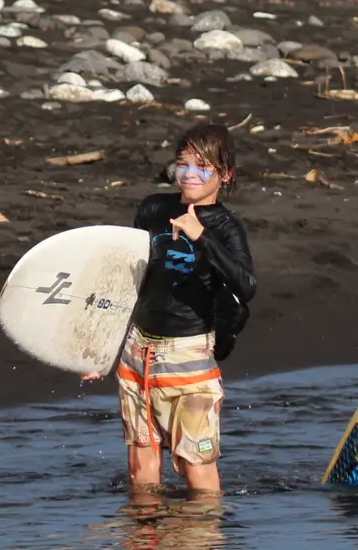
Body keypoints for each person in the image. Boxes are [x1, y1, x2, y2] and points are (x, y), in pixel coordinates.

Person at [95, 123, 256, 496]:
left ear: (226, 174)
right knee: (140, 472)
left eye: (204, 166)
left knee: (196, 474)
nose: (190, 174)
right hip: (137, 354)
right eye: (183, 164)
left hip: (190, 358)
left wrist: (201, 236)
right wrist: (99, 348)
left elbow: (246, 286)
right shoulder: (153, 208)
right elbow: (126, 278)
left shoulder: (227, 229)